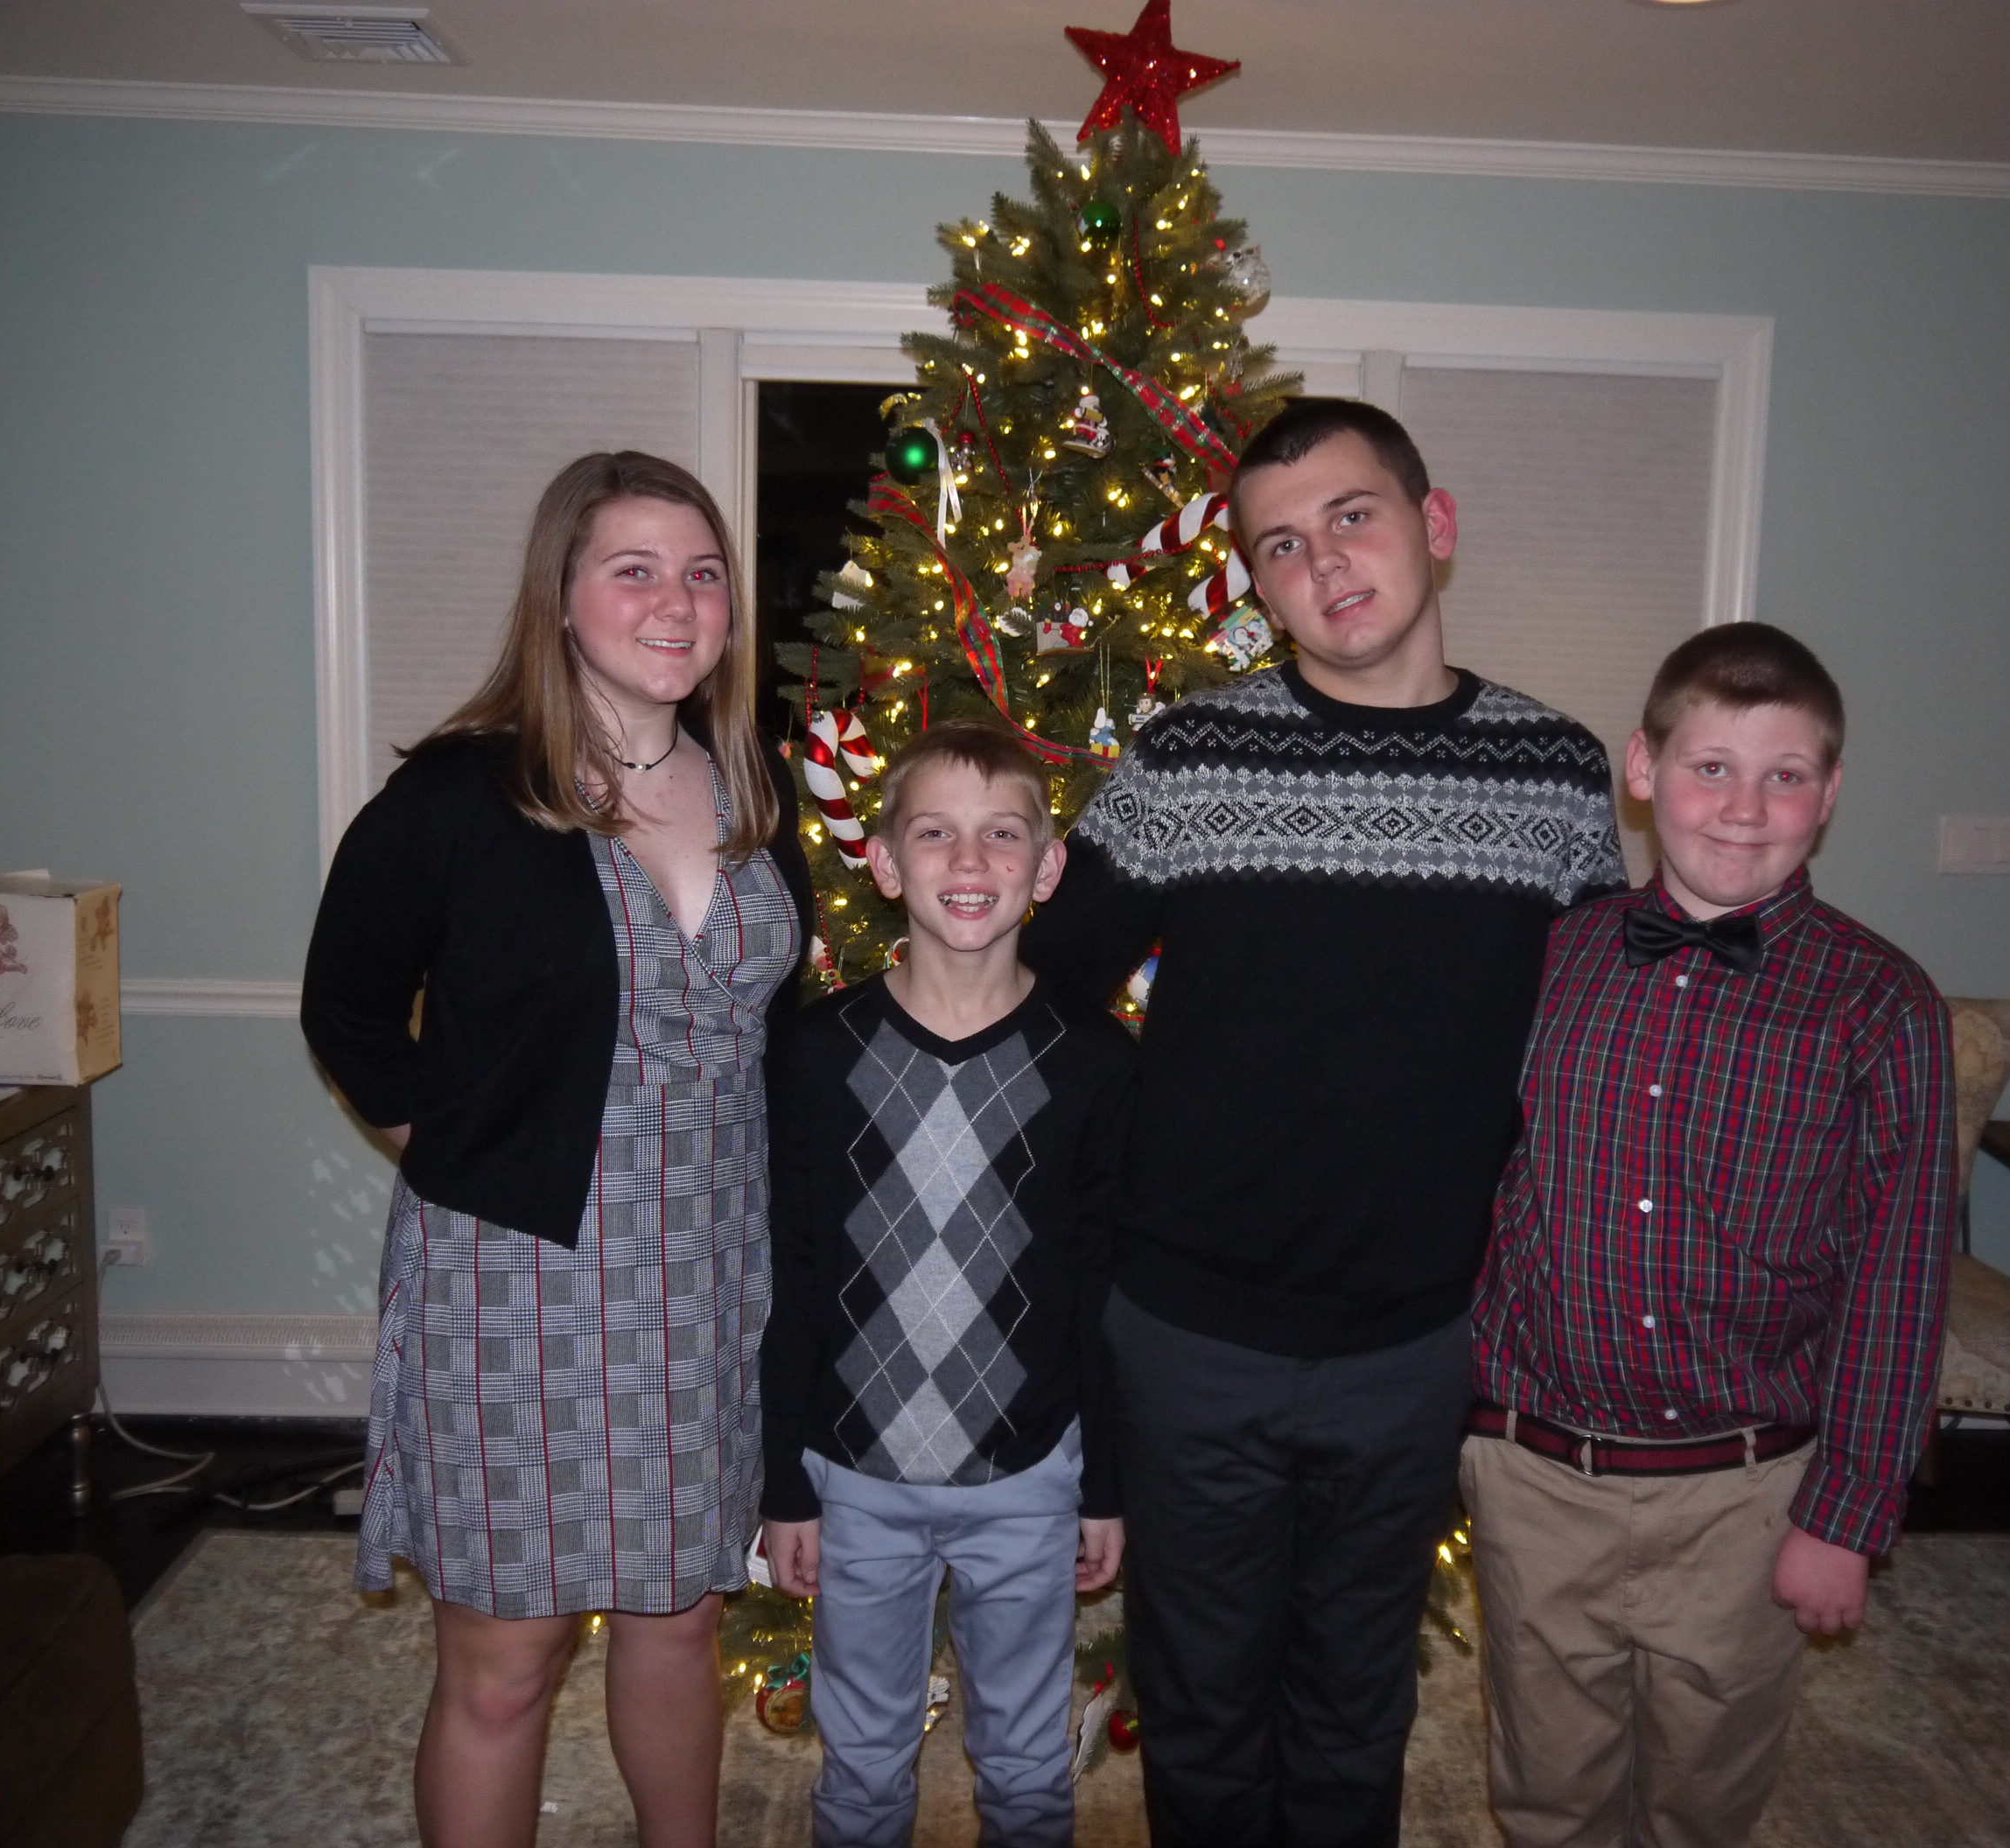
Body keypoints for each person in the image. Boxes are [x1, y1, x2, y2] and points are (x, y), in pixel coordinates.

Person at [1020, 397, 1626, 1846]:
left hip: (1416, 1342)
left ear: (1434, 524)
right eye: (1281, 545)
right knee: (1203, 1708)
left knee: (1358, 1708)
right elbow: (1041, 996)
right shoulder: (1189, 759)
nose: (1325, 563)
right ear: (1258, 583)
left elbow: (1593, 1043)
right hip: (1189, 1336)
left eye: (1352, 516)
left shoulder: (1554, 775)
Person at [301, 451, 810, 1848]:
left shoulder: (755, 790)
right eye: (634, 570)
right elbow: (346, 1007)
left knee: (680, 1621)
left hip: (711, 1279)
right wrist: (464, 1153)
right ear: (562, 596)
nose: (676, 602)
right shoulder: (464, 795)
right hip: (517, 1282)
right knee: (507, 1659)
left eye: (702, 573)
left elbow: (776, 1040)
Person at [1467, 621, 1957, 1848]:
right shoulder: (1542, 962)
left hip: (1748, 1495)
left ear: (1828, 793)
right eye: (1711, 767)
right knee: (1546, 1788)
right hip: (1537, 1478)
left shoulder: (1880, 1001)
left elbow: (1899, 1278)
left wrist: (1847, 1513)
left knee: (1706, 1795)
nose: (1744, 809)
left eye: (1784, 775)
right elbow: (1470, 1187)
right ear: (1644, 769)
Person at [758, 719, 1136, 1848]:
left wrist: (1104, 1484)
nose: (970, 862)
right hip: (854, 1477)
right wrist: (785, 1485)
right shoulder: (816, 1054)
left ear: (1047, 868)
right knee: (863, 1754)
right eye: (935, 835)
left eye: (1002, 836)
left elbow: (1102, 1286)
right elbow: (792, 1270)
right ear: (883, 862)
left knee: (1024, 1756)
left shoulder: (1095, 1061)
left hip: (1028, 1477)